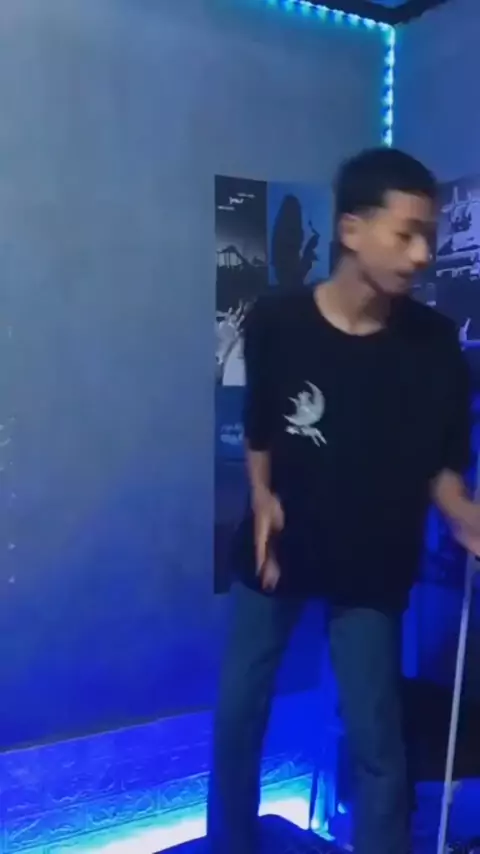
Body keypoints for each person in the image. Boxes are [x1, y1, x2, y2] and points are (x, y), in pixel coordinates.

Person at [207, 148, 480, 854]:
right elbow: (261, 429)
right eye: (407, 233)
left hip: (372, 562)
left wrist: (462, 512)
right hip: (279, 546)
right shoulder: (277, 321)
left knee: (377, 738)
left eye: (429, 237)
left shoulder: (435, 345)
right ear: (351, 229)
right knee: (238, 718)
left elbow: (441, 468)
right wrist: (261, 496)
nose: (422, 255)